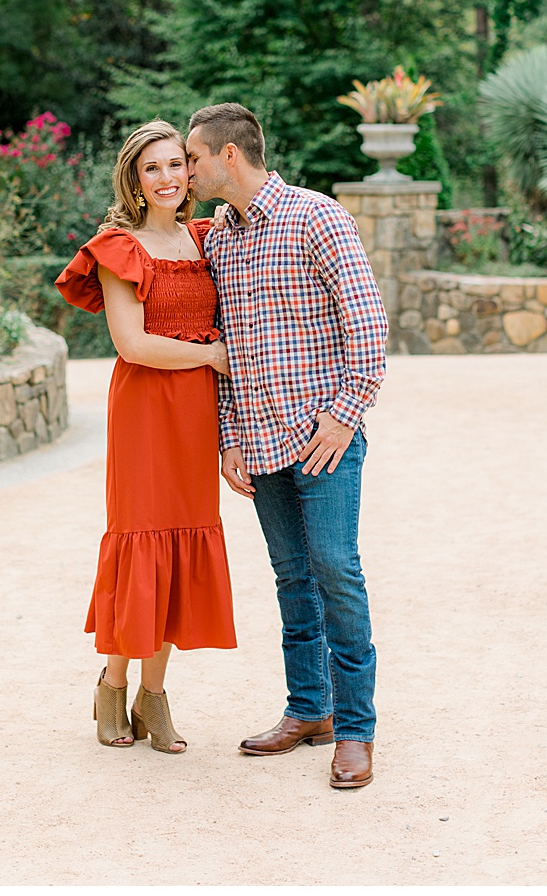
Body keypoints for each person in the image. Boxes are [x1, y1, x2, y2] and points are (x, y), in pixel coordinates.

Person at [184, 102, 388, 790]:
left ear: (229, 155)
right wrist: (230, 440)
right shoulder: (219, 239)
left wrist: (344, 417)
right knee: (292, 578)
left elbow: (368, 325)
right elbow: (227, 350)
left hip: (324, 439)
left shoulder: (316, 216)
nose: (187, 171)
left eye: (193, 158)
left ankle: (355, 729)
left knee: (336, 571)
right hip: (261, 443)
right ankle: (309, 709)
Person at [55, 120, 236, 753]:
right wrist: (212, 356)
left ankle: (151, 698)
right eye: (150, 168)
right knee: (142, 542)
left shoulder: (207, 238)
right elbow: (132, 344)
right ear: (134, 178)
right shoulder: (119, 247)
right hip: (146, 411)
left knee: (181, 545)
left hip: (196, 413)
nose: (165, 177)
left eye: (175, 164)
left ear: (191, 171)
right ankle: (112, 686)